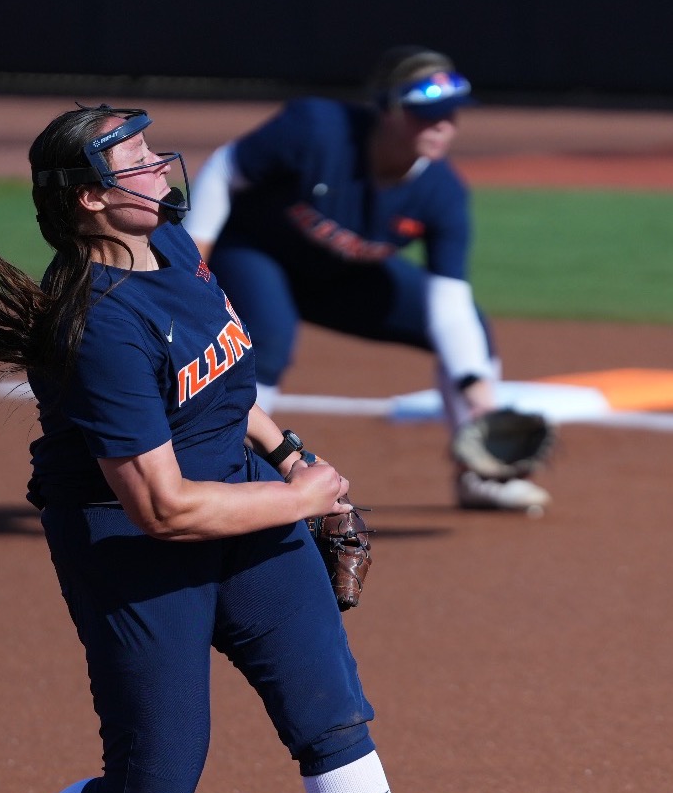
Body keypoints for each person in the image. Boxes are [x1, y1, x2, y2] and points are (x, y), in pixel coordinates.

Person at [0, 103, 505, 793]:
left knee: (331, 717)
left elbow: (227, 381)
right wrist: (297, 496)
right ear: (91, 199)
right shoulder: (96, 329)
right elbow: (162, 507)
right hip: (132, 550)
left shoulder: (172, 249)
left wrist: (289, 454)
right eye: (135, 163)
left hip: (249, 511)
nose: (160, 171)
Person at [183, 46, 550, 513]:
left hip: (340, 278)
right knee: (268, 342)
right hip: (257, 252)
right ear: (389, 111)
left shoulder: (442, 192)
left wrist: (480, 399)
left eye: (451, 116)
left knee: (471, 326)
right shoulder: (317, 128)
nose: (442, 126)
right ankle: (221, 479)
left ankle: (479, 475)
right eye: (426, 115)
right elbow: (225, 168)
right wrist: (194, 259)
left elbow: (449, 302)